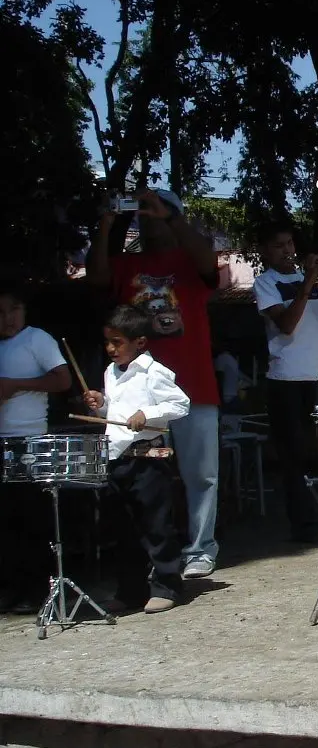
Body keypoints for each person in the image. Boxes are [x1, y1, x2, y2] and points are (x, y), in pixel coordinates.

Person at [86, 188, 221, 580]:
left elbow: (209, 264)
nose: (147, 219)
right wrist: (108, 222)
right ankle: (156, 555)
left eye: (154, 212)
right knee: (145, 479)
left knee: (201, 475)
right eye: (141, 214)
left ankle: (200, 548)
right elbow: (96, 280)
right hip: (137, 394)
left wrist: (172, 218)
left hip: (193, 385)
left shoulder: (188, 259)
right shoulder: (127, 265)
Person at [84, 305, 191, 614]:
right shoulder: (110, 373)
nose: (110, 348)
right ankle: (131, 590)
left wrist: (149, 414)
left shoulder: (154, 371)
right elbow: (116, 413)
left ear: (140, 342)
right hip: (118, 457)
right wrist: (101, 404)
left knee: (156, 526)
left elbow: (180, 403)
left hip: (147, 461)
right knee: (124, 529)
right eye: (108, 342)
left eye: (117, 342)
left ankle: (167, 585)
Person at [252, 221, 318, 541]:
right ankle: (305, 527)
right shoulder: (265, 283)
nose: (288, 251)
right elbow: (287, 325)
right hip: (286, 379)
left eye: (290, 244)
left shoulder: (313, 282)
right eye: (279, 246)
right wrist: (308, 283)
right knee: (295, 458)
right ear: (265, 251)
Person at [0, 284, 71, 613]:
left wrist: (16, 386)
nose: (7, 319)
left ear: (23, 310)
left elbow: (62, 380)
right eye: (0, 313)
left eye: (12, 310)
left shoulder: (35, 339)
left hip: (28, 439)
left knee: (31, 518)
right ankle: (12, 588)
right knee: (7, 521)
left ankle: (36, 590)